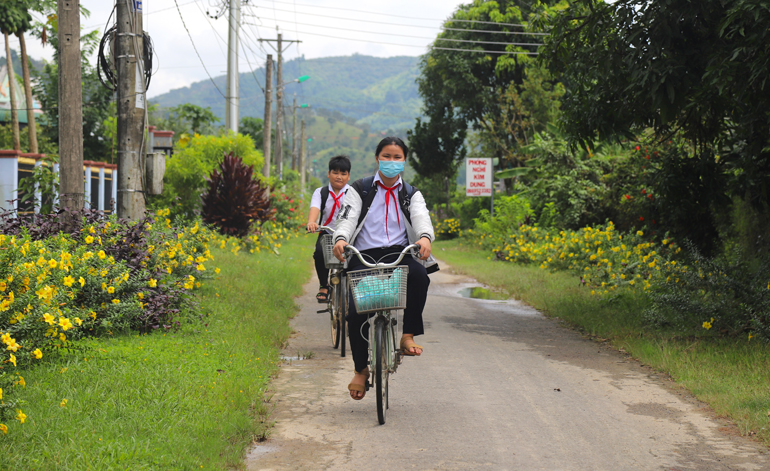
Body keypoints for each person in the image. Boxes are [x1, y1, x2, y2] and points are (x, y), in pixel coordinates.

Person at [332, 137, 438, 400]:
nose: (392, 162)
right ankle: (360, 370)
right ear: (377, 158)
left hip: (399, 253)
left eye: (397, 157)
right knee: (355, 313)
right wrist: (341, 239)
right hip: (363, 254)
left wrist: (424, 237)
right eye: (387, 156)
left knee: (420, 277)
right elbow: (346, 217)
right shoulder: (360, 188)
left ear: (404, 161)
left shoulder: (411, 193)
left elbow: (421, 217)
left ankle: (408, 335)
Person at [307, 155, 352, 303]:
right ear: (329, 174)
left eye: (343, 173)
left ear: (348, 176)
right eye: (335, 172)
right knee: (319, 254)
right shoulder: (321, 192)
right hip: (327, 232)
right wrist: (312, 222)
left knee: (355, 257)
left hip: (347, 234)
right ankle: (324, 285)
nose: (339, 177)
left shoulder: (353, 193)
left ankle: (353, 286)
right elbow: (315, 207)